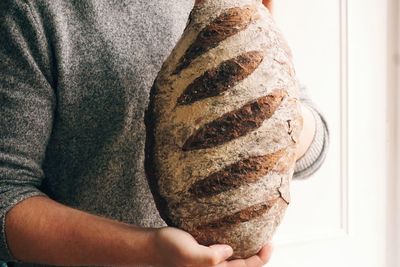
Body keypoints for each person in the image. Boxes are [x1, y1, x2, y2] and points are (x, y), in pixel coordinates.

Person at [0, 0, 329, 266]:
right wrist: (144, 252)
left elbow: (314, 144)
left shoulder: (226, 6)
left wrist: (265, 120)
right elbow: (7, 193)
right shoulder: (31, 12)